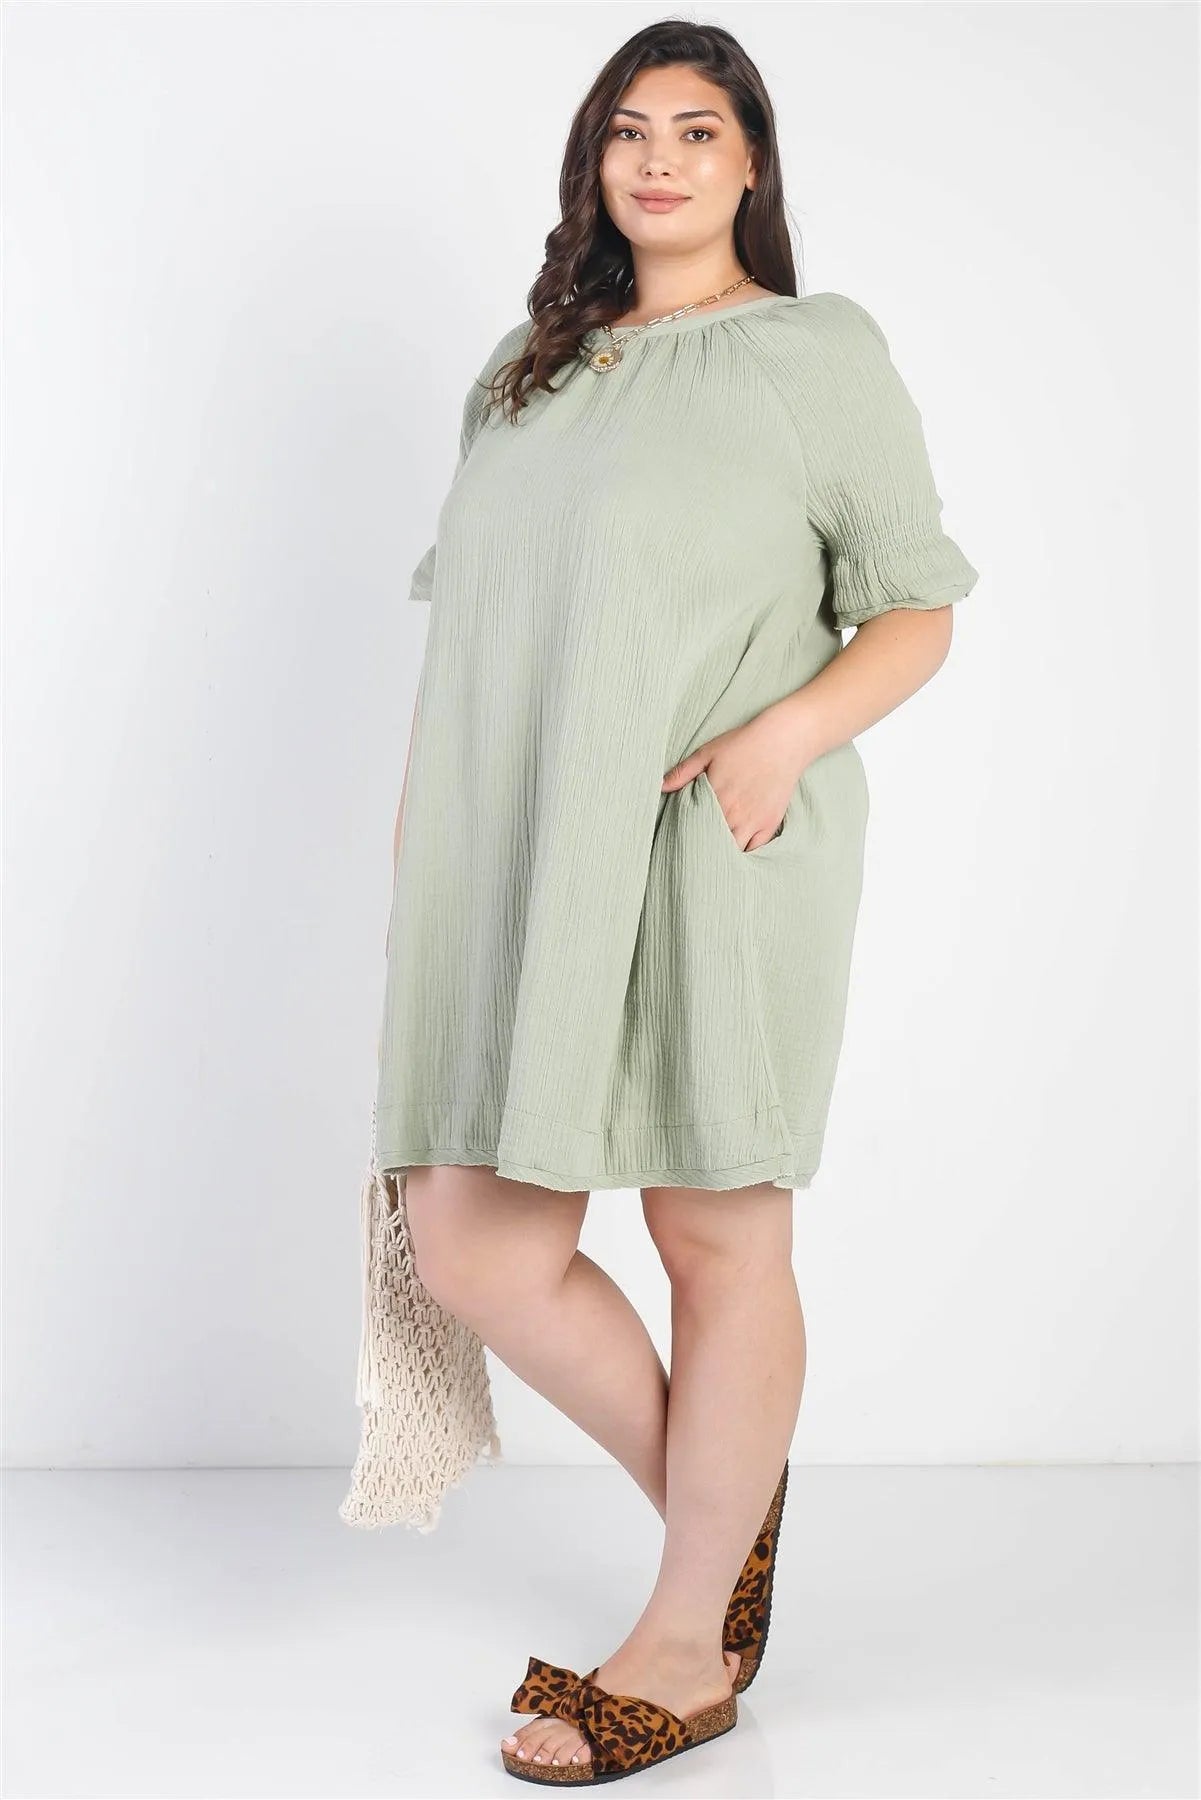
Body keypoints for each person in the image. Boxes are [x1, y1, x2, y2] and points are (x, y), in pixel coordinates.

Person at [373, 18, 979, 1786]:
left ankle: (688, 1636)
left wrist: (780, 738)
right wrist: (422, 852)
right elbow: (476, 640)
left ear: (750, 163)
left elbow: (914, 608)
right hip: (514, 861)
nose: (657, 160)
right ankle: (727, 1539)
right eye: (627, 131)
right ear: (593, 162)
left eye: (696, 131)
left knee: (714, 1240)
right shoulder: (522, 373)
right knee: (473, 1243)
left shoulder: (813, 351)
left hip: (715, 846)